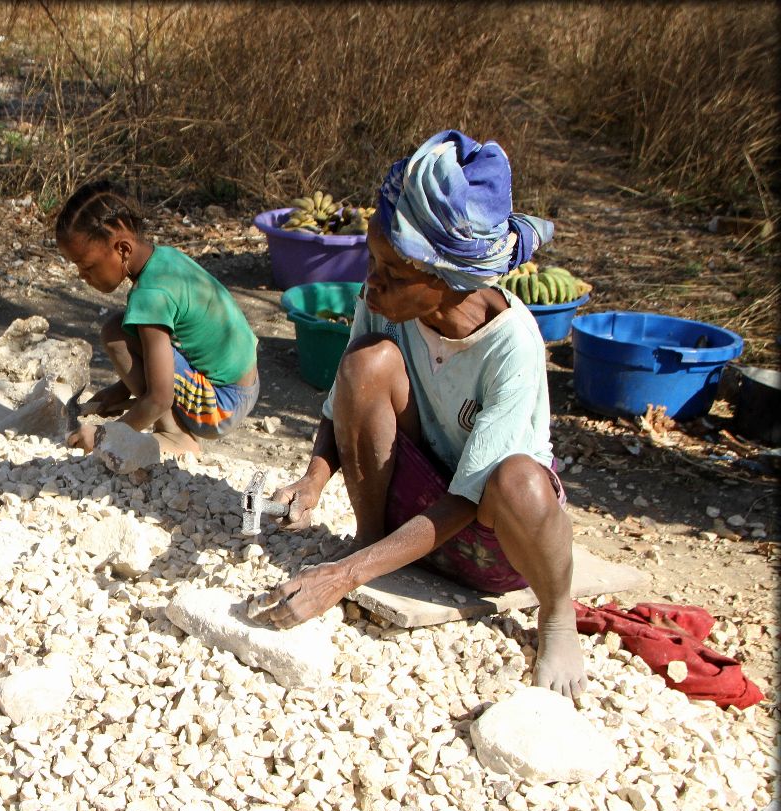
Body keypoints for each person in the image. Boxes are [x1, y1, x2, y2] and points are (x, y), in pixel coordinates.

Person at [249, 130, 587, 700]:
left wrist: (343, 577)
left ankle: (558, 618)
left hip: (487, 540)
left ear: (449, 280)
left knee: (521, 481)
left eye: (394, 272)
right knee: (365, 364)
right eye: (374, 261)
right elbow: (344, 399)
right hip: (411, 501)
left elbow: (468, 498)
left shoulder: (513, 345)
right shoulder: (385, 299)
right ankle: (370, 541)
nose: (372, 281)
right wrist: (312, 481)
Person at [55, 180, 260, 458]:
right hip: (246, 385)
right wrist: (121, 390)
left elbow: (160, 396)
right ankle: (172, 428)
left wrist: (106, 436)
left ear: (123, 249)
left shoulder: (150, 296)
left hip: (222, 405)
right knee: (124, 326)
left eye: (87, 266)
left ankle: (175, 436)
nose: (82, 275)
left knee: (116, 335)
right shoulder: (165, 260)